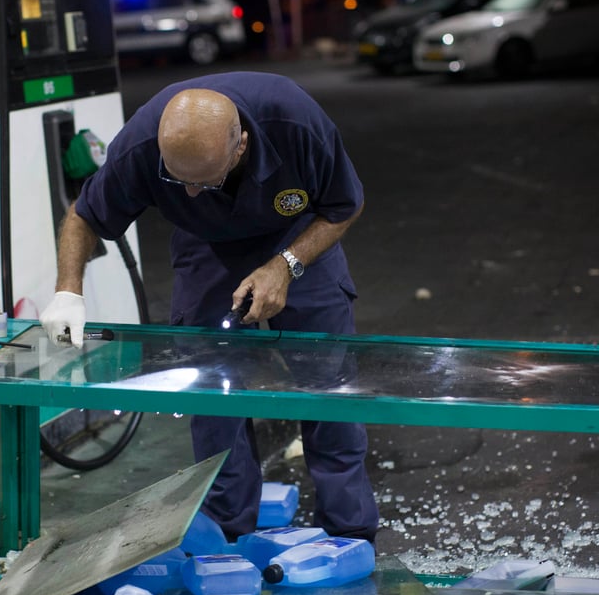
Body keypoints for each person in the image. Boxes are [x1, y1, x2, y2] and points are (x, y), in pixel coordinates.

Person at [38, 72, 380, 544]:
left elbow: (343, 206)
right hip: (206, 244)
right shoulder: (142, 145)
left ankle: (350, 534)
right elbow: (83, 217)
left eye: (207, 179)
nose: (193, 191)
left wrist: (286, 266)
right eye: (181, 182)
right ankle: (227, 537)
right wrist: (67, 291)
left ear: (239, 146)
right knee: (211, 392)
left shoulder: (295, 123)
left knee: (327, 384)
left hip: (295, 237)